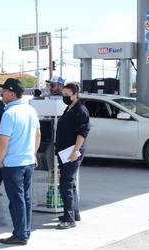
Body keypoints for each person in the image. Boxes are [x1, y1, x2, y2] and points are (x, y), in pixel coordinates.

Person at [0, 78, 41, 246]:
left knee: (16, 200)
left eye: (4, 91)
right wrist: (33, 154)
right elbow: (38, 135)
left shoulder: (9, 113)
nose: (2, 93)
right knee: (25, 198)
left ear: (12, 93)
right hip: (28, 161)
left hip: (13, 164)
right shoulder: (31, 110)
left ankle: (21, 235)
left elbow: (3, 141)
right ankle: (23, 231)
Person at [55, 83, 90, 230]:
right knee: (70, 182)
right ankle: (74, 213)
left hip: (71, 152)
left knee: (66, 183)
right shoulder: (69, 108)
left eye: (66, 95)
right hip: (64, 152)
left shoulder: (80, 110)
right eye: (63, 95)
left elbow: (82, 132)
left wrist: (76, 151)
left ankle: (69, 219)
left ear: (75, 94)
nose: (64, 97)